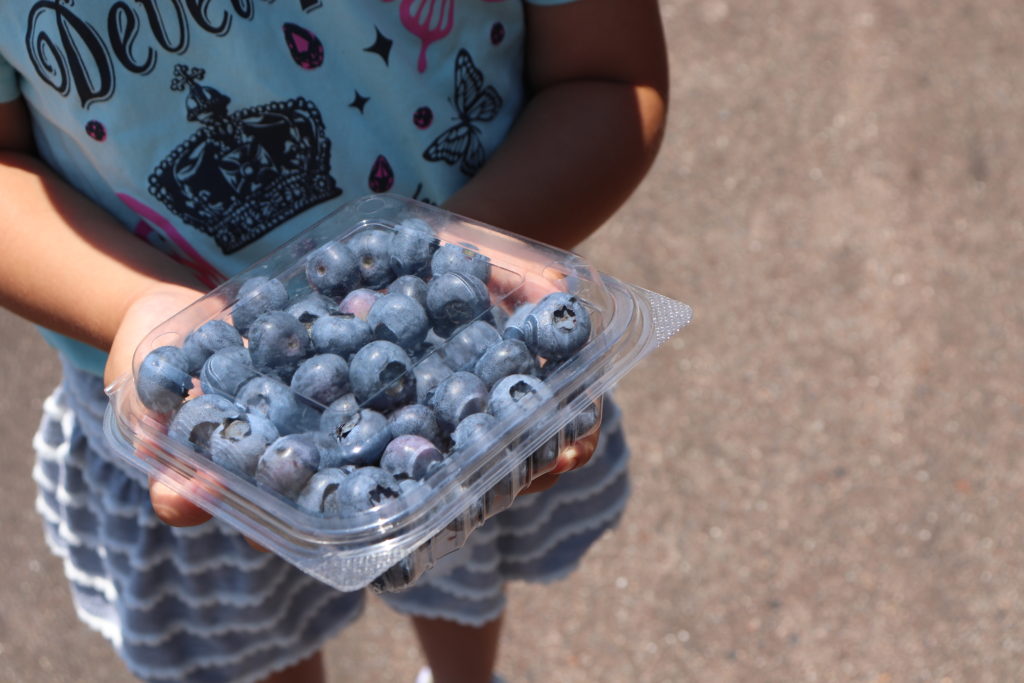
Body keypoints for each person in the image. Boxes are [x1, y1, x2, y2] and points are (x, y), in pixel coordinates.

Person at [0, 0, 668, 681]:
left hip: (473, 356)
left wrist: (467, 249)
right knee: (264, 640)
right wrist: (133, 303)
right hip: (196, 417)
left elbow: (606, 75)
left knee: (460, 544)